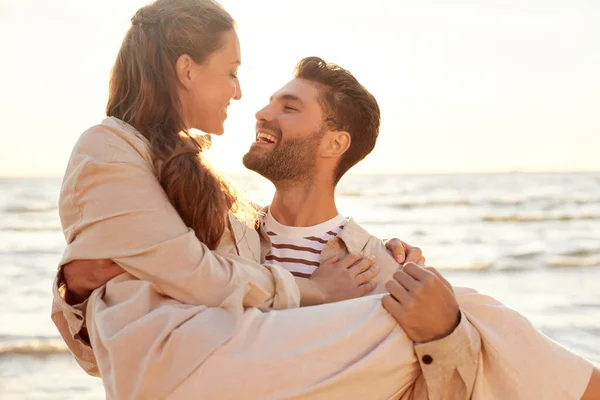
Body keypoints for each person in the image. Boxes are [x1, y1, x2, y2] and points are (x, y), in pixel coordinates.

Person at [51, 0, 600, 399]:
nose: (257, 109)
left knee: (458, 308)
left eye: (288, 107)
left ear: (335, 143)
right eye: (252, 88)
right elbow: (115, 355)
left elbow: (442, 390)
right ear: (186, 69)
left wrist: (445, 335)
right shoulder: (225, 235)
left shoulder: (375, 263)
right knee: (472, 307)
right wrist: (75, 289)